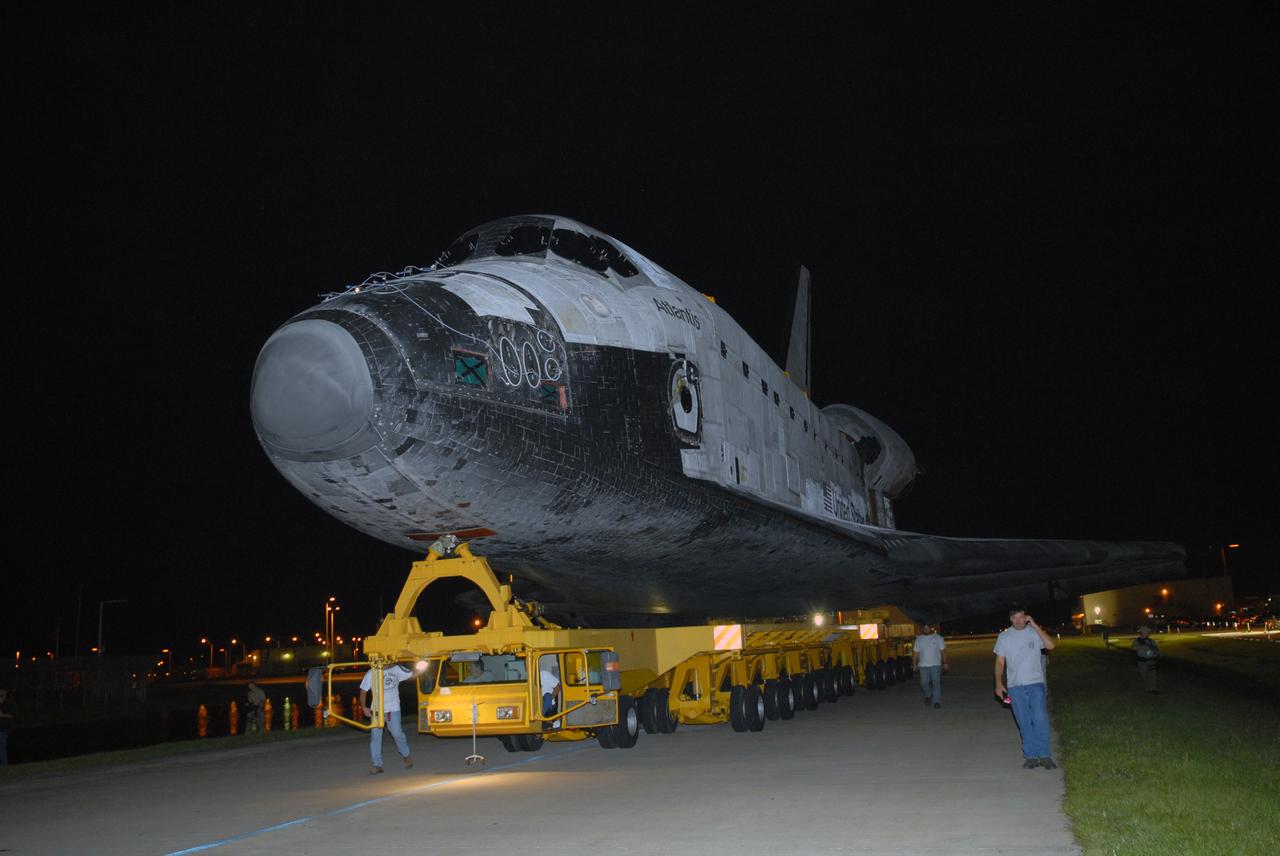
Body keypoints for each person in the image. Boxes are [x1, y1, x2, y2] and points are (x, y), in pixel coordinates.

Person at [994, 605, 1058, 770]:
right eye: (1015, 618)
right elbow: (1000, 662)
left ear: (1026, 617)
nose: (1018, 621)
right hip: (1015, 686)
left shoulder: (1033, 632)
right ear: (1010, 619)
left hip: (1036, 683)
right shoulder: (1004, 637)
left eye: (1021, 617)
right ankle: (1030, 756)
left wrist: (1036, 626)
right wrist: (998, 683)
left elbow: (1050, 646)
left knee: (1040, 719)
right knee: (1024, 721)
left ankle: (1044, 755)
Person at [359, 662, 418, 774]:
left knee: (397, 733)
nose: (386, 663)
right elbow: (363, 691)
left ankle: (406, 755)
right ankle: (377, 765)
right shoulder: (371, 673)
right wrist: (363, 707)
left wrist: (423, 665)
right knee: (375, 738)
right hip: (376, 710)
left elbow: (413, 674)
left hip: (393, 708)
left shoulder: (396, 669)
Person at [912, 622, 948, 708]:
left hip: (935, 665)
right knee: (923, 683)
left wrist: (945, 662)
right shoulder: (919, 639)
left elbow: (943, 651)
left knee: (936, 684)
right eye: (924, 627)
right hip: (923, 666)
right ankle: (928, 695)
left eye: (927, 627)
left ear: (931, 628)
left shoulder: (938, 638)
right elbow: (916, 652)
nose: (926, 629)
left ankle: (937, 702)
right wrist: (914, 663)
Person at [1131, 626, 1160, 693]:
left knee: (1153, 675)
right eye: (1146, 632)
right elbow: (1133, 648)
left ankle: (1153, 688)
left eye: (1148, 632)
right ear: (1142, 632)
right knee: (1145, 675)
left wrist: (1157, 654)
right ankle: (1148, 689)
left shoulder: (1152, 641)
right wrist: (1141, 647)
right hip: (1142, 661)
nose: (1148, 633)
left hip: (1152, 660)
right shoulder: (1137, 641)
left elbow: (1156, 649)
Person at [539, 654, 562, 723]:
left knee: (547, 696)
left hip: (548, 705)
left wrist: (549, 700)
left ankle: (541, 717)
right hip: (536, 706)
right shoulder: (527, 679)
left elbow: (557, 686)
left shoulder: (544, 674)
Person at [0, 688, 13, 765]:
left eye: (2, 696)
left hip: (4, 729)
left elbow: (13, 715)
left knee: (1, 744)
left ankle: (4, 764)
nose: (1, 697)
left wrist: (2, 715)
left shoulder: (8, 704)